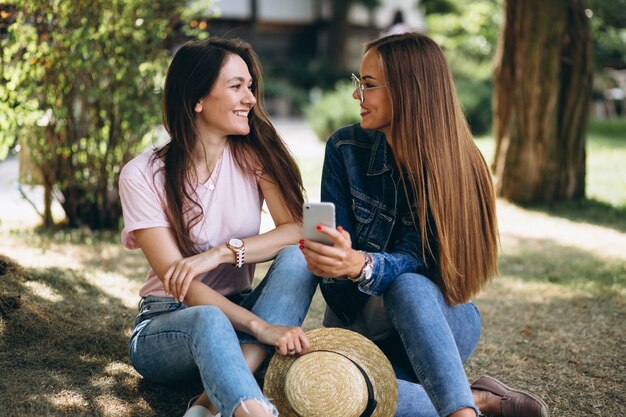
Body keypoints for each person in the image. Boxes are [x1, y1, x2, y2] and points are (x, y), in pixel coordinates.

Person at [300, 32, 549, 417]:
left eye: (367, 85)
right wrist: (331, 264)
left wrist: (361, 265)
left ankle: (460, 412)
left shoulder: (461, 167)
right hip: (359, 321)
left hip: (435, 325)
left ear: (408, 90)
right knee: (324, 392)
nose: (356, 96)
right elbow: (340, 280)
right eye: (357, 83)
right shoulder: (345, 149)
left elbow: (417, 262)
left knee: (407, 286)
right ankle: (474, 398)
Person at [119, 37, 318, 417]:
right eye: (236, 87)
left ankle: (208, 405)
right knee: (209, 318)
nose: (251, 99)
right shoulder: (142, 174)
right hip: (169, 324)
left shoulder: (254, 156)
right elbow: (185, 289)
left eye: (250, 86)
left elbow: (298, 229)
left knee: (298, 258)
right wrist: (262, 328)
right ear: (196, 99)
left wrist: (222, 254)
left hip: (241, 312)